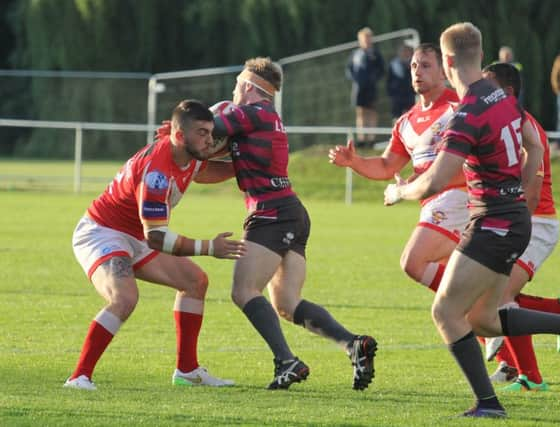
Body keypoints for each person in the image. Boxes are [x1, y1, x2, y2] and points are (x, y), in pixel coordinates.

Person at [384, 22, 560, 418]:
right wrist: (518, 190)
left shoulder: (468, 111)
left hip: (492, 224)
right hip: (514, 219)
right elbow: (534, 143)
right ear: (480, 55)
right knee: (484, 319)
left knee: (445, 313)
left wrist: (399, 191)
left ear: (448, 61)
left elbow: (435, 179)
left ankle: (488, 404)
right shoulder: (500, 95)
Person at [212, 57, 377, 391]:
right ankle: (352, 345)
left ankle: (286, 362)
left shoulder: (254, 112)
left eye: (236, 86)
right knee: (286, 304)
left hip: (271, 213)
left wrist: (183, 125)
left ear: (247, 86)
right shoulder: (263, 117)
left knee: (243, 291)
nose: (233, 92)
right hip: (289, 210)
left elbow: (209, 127)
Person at [63, 99, 246, 391]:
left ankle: (187, 371)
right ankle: (79, 377)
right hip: (103, 232)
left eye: (210, 132)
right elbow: (157, 238)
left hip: (136, 233)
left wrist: (243, 165)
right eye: (202, 132)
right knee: (124, 298)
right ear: (179, 135)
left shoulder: (188, 150)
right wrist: (210, 247)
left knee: (194, 281)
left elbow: (203, 170)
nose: (209, 140)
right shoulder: (156, 173)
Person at [331, 42, 463, 296]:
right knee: (458, 308)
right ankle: (550, 313)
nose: (417, 71)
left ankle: (481, 299)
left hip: (459, 197)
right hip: (432, 204)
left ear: (444, 72)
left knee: (414, 263)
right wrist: (354, 162)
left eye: (425, 65)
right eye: (414, 65)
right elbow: (386, 165)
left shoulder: (459, 106)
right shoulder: (406, 121)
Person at [481, 62, 560, 391]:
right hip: (513, 220)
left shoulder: (526, 128)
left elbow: (533, 195)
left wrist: (507, 232)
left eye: (487, 86)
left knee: (501, 295)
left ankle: (529, 375)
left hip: (536, 223)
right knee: (480, 290)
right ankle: (556, 318)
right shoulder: (500, 125)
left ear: (507, 93)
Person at [346, 27, 385, 145]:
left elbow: (382, 69)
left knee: (372, 111)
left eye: (368, 38)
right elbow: (349, 69)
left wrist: (374, 79)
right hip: (358, 88)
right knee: (361, 112)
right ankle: (362, 138)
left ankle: (372, 138)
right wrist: (355, 79)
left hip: (371, 87)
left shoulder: (376, 54)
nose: (366, 41)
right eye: (364, 39)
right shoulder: (355, 54)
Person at [387, 42, 416, 122]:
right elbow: (389, 80)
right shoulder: (393, 64)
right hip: (397, 95)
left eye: (406, 51)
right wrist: (391, 92)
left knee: (410, 116)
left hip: (409, 94)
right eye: (403, 51)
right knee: (397, 118)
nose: (404, 53)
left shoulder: (413, 64)